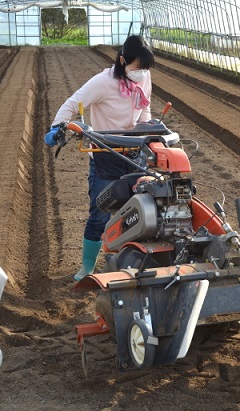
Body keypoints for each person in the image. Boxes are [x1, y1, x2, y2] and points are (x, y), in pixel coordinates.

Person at [44, 35, 155, 280]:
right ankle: (87, 267)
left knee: (139, 210)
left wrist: (146, 126)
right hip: (105, 153)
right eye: (137, 67)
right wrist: (57, 127)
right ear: (123, 60)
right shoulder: (104, 83)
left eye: (145, 68)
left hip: (134, 153)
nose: (142, 73)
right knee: (100, 213)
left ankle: (130, 261)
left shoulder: (144, 77)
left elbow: (145, 107)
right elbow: (72, 104)